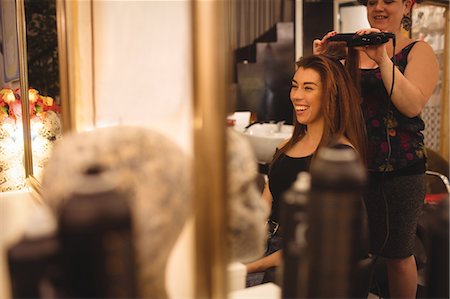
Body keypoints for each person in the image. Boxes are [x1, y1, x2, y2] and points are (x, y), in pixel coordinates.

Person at [313, 0, 439, 298]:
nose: (379, 7)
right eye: (372, 1)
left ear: (407, 6)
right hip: (353, 169)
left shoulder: (418, 50)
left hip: (401, 170)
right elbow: (330, 105)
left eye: (389, 1)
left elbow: (411, 105)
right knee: (352, 252)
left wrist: (382, 59)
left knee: (397, 254)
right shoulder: (352, 53)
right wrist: (323, 63)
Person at [245, 54, 367, 285]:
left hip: (304, 259)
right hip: (268, 245)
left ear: (331, 95)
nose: (297, 96)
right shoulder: (285, 147)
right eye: (295, 86)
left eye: (308, 88)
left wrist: (251, 267)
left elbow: (319, 240)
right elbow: (265, 203)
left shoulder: (340, 156)